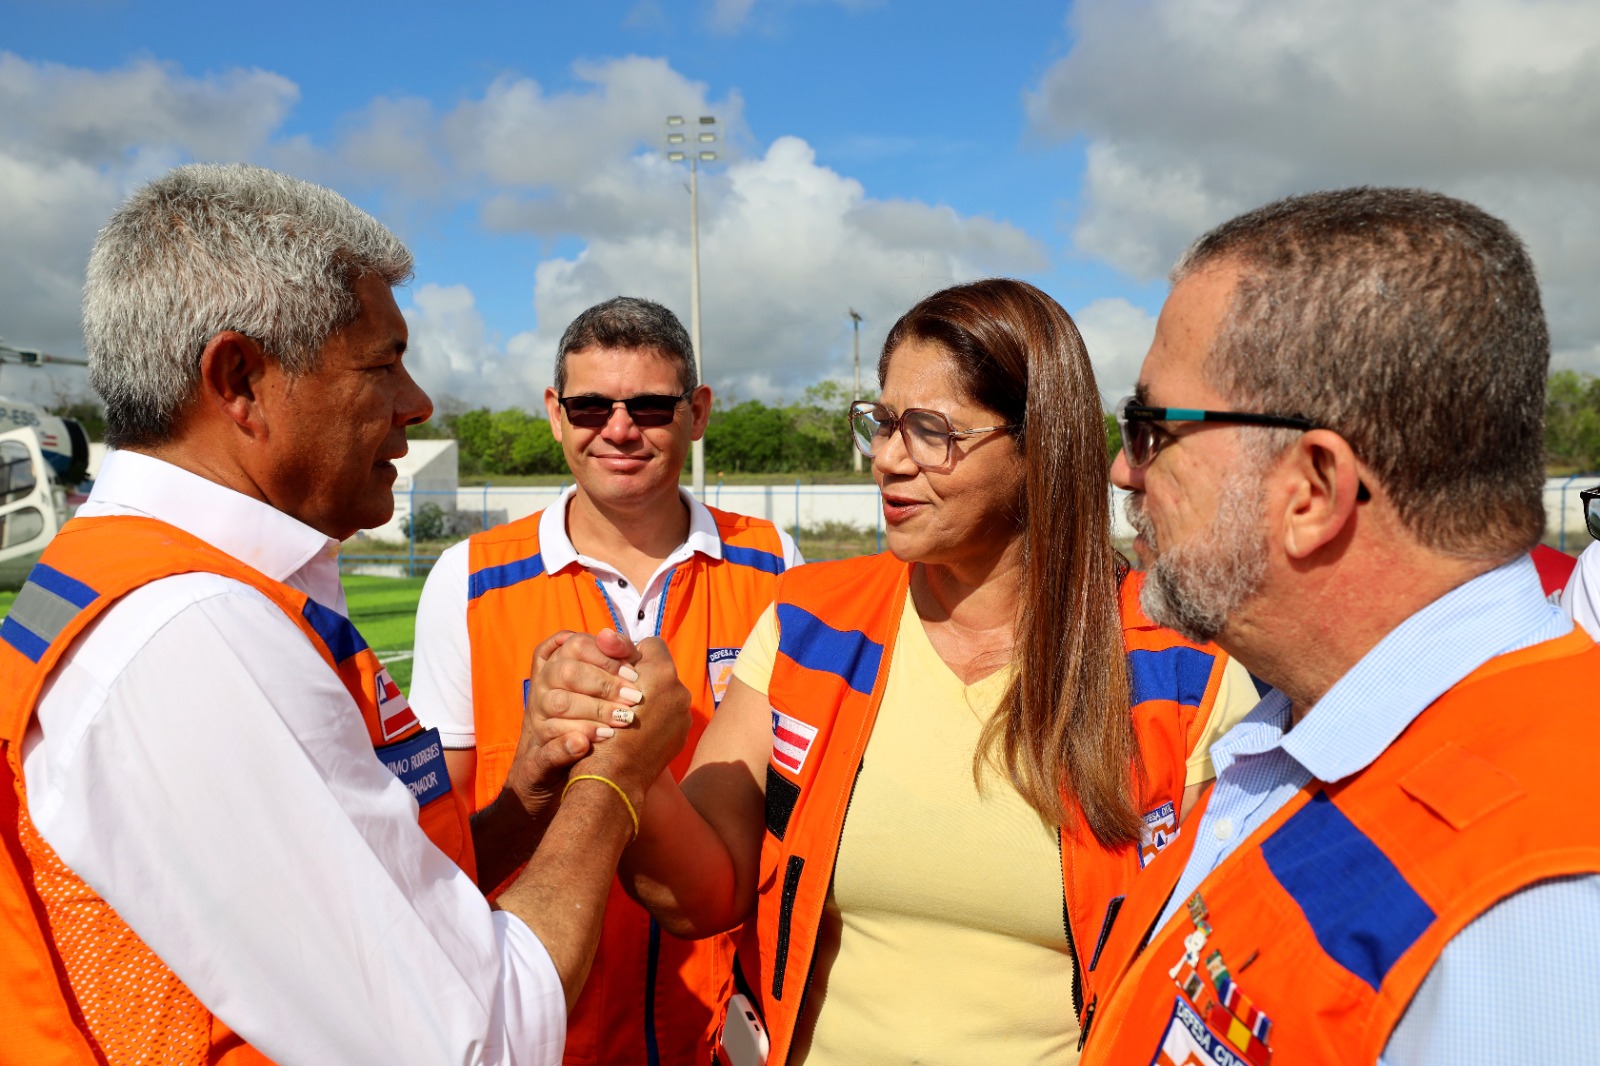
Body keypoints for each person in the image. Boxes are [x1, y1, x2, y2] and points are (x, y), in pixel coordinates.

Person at [0, 163, 689, 1064]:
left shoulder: (148, 579)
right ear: (239, 378)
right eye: (382, 363)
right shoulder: (195, 633)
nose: (417, 404)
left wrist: (527, 798)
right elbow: (478, 1039)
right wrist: (619, 781)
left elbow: (377, 908)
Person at [527, 278, 1260, 1064]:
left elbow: (1223, 982)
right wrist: (627, 750)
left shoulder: (1185, 673)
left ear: (1039, 442)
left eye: (930, 431)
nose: (886, 458)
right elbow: (702, 895)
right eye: (881, 423)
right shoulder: (809, 623)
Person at [1080, 188, 1600, 1065]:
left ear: (1313, 489)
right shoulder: (1321, 728)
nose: (1124, 470)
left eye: (1150, 428)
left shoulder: (1533, 905)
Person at [410, 296, 801, 1065]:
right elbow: (440, 834)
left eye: (650, 406)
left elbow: (799, 804)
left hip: (727, 1034)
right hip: (544, 1022)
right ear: (556, 413)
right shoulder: (468, 578)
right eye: (591, 405)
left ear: (698, 412)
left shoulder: (776, 563)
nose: (619, 429)